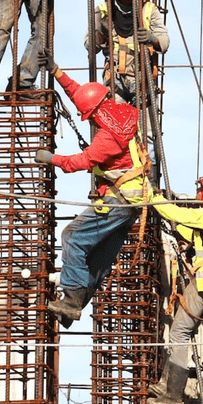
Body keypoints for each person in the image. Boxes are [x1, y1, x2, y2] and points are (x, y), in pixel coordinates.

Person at [36, 67, 151, 324]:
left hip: (119, 200)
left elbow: (83, 161)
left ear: (94, 113)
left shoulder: (108, 137)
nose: (87, 120)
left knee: (73, 237)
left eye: (88, 116)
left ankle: (72, 298)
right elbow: (81, 93)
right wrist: (55, 71)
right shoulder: (119, 113)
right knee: (99, 259)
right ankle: (73, 305)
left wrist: (51, 159)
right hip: (131, 203)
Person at [148, 169, 203, 404]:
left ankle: (174, 395)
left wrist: (152, 196)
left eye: (201, 190)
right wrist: (184, 238)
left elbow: (175, 213)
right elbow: (197, 233)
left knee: (179, 334)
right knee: (183, 329)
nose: (198, 194)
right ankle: (167, 383)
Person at [89, 0, 169, 106]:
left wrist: (152, 39)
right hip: (115, 81)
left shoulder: (149, 10)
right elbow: (90, 47)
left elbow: (164, 43)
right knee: (119, 125)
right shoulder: (103, 11)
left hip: (143, 80)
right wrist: (100, 33)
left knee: (147, 128)